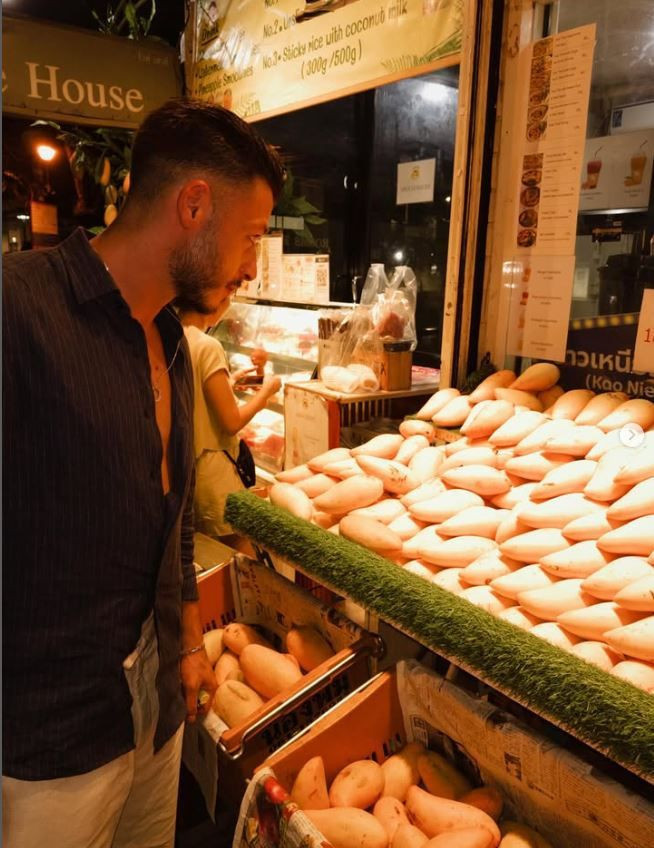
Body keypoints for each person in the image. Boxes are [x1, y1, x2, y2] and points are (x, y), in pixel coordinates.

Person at [2, 98, 285, 847]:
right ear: (195, 204)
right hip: (47, 735)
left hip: (154, 707)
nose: (253, 266)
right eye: (251, 236)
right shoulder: (17, 310)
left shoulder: (172, 337)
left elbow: (174, 519)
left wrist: (188, 640)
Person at [179, 300, 281, 542]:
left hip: (190, 468)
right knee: (233, 559)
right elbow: (231, 422)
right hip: (215, 476)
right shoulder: (208, 346)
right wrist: (267, 392)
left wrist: (227, 383)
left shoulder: (177, 336)